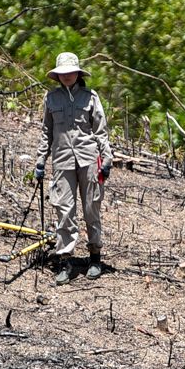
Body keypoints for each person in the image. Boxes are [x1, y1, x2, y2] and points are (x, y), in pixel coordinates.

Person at [34, 52, 112, 285]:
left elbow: (100, 131)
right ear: (58, 76)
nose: (67, 76)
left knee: (91, 208)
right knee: (64, 210)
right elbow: (47, 131)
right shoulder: (51, 98)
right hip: (62, 160)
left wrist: (106, 159)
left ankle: (95, 257)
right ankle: (65, 260)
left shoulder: (90, 97)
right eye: (63, 73)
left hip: (89, 160)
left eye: (71, 72)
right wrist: (40, 160)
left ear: (78, 74)